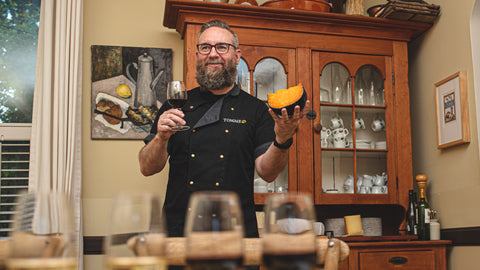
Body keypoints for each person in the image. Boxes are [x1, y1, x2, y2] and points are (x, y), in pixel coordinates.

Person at [139, 20, 310, 238]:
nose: (213, 54)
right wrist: (161, 139)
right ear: (198, 54)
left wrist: (283, 139)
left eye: (222, 47)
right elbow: (146, 167)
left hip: (236, 234)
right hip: (180, 233)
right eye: (205, 47)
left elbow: (268, 173)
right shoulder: (175, 104)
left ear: (236, 56)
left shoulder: (256, 109)